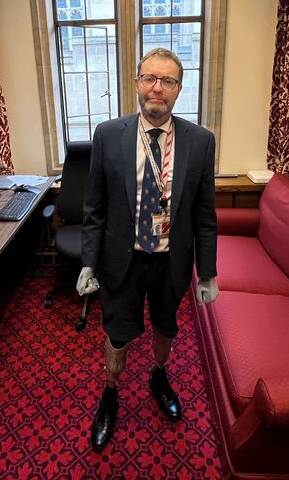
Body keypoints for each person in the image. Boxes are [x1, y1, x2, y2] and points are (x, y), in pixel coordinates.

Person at [78, 47, 219, 451]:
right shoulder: (108, 134)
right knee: (117, 332)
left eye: (168, 81)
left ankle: (159, 374)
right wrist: (88, 262)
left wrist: (207, 272)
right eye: (150, 78)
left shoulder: (200, 141)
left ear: (179, 89)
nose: (158, 88)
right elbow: (94, 206)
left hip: (170, 261)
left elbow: (205, 214)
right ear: (137, 83)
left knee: (165, 325)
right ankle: (110, 392)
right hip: (121, 259)